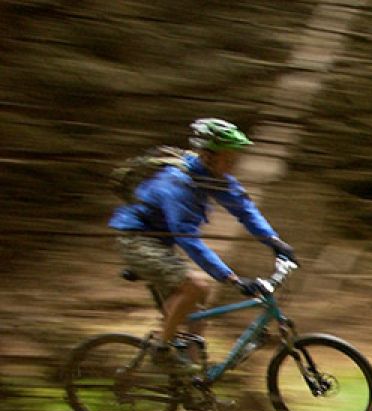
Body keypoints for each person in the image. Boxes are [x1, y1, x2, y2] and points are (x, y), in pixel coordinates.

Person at [108, 117, 294, 374]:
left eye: (234, 159)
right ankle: (161, 350)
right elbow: (189, 240)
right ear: (208, 156)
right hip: (136, 240)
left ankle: (193, 375)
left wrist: (274, 241)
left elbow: (245, 210)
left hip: (161, 244)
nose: (231, 165)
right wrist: (232, 279)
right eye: (227, 159)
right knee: (196, 285)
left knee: (197, 306)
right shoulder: (177, 183)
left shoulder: (213, 176)